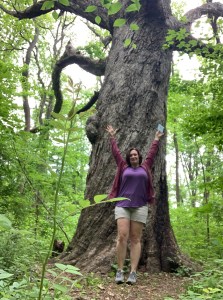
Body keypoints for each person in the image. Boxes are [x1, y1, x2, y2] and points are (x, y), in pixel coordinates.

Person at [106, 125, 164, 285]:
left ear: (139, 156)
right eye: (131, 155)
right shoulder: (123, 167)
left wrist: (156, 139)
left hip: (140, 206)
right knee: (122, 236)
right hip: (122, 205)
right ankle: (119, 271)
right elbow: (115, 153)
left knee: (136, 239)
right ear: (128, 157)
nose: (133, 157)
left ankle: (133, 272)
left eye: (135, 154)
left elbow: (152, 153)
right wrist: (112, 137)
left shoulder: (145, 167)